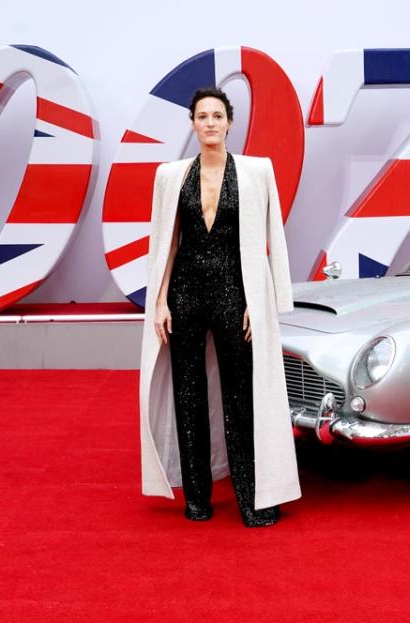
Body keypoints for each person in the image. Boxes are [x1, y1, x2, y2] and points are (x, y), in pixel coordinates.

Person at [138, 87, 301, 527]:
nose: (210, 123)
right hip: (184, 296)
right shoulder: (170, 176)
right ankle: (196, 500)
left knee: (241, 398)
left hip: (235, 294)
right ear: (192, 124)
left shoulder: (256, 171)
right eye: (202, 116)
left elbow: (272, 239)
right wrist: (159, 303)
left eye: (217, 115)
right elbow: (165, 246)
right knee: (187, 397)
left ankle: (254, 500)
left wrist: (263, 301)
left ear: (229, 123)